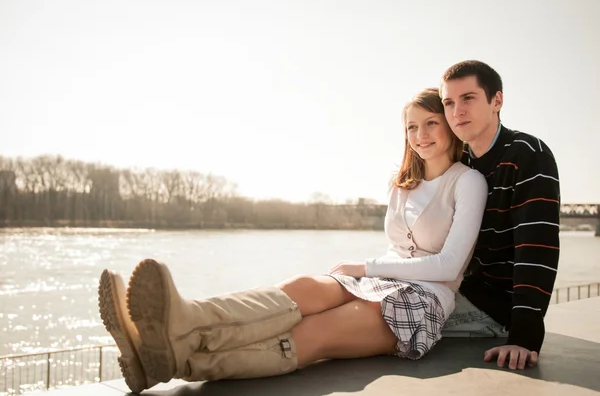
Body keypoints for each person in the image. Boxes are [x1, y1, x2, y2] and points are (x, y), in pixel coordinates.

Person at [97, 87, 488, 394]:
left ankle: (177, 361)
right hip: (380, 276)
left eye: (431, 123)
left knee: (316, 332)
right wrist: (367, 272)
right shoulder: (401, 183)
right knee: (301, 288)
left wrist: (365, 267)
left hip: (423, 298)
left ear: (450, 125)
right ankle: (184, 320)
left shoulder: (467, 182)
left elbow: (448, 266)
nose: (420, 136)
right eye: (411, 127)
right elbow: (398, 248)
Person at [437, 60, 561, 371]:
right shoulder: (457, 161)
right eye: (449, 102)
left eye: (468, 98)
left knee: (380, 313)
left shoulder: (529, 155)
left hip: (494, 309)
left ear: (497, 101)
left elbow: (536, 251)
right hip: (453, 290)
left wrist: (524, 337)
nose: (457, 111)